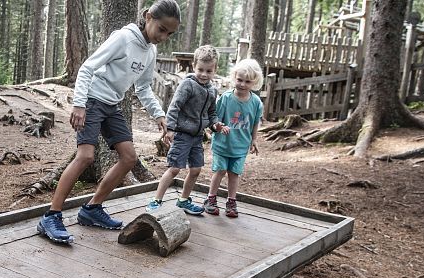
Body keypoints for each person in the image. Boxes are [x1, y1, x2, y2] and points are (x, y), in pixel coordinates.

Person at [37, 0, 181, 244]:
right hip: (92, 100)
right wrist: (79, 104)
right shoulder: (123, 38)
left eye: (170, 33)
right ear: (148, 17)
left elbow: (144, 87)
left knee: (129, 158)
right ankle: (51, 216)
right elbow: (87, 68)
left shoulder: (151, 51)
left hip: (112, 105)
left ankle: (92, 209)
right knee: (85, 157)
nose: (164, 36)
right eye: (161, 29)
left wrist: (160, 115)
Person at [145, 45, 227, 214]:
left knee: (195, 170)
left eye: (209, 71)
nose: (204, 74)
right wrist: (170, 129)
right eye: (200, 69)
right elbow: (174, 107)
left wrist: (216, 125)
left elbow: (212, 113)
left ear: (215, 69)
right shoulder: (187, 85)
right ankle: (156, 200)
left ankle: (183, 200)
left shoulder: (212, 90)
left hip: (198, 136)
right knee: (174, 168)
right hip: (182, 134)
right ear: (193, 66)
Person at [203, 58, 264, 218]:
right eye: (239, 80)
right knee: (220, 170)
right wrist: (219, 127)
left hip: (240, 146)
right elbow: (215, 118)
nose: (242, 84)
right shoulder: (226, 98)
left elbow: (255, 122)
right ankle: (211, 198)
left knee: (234, 174)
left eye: (247, 81)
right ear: (234, 77)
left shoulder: (256, 102)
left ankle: (231, 201)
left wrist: (254, 140)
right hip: (223, 145)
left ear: (254, 82)